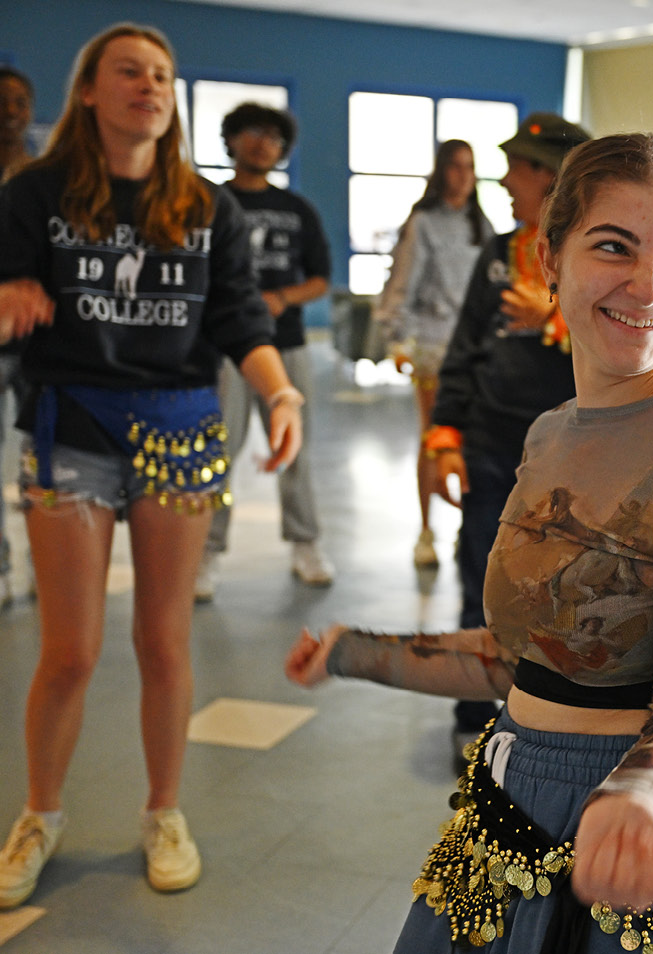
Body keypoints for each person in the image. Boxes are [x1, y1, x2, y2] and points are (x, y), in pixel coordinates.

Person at [286, 132, 653, 953]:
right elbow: (529, 657)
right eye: (614, 247)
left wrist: (640, 797)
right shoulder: (552, 431)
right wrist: (356, 653)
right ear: (546, 258)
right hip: (510, 803)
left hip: (628, 842)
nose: (649, 285)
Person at [0, 23, 302, 908]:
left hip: (179, 428)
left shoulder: (210, 208)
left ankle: (164, 811)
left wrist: (281, 396)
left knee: (165, 642)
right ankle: (40, 814)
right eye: (128, 71)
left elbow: (242, 322)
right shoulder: (36, 193)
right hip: (73, 430)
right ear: (88, 90)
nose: (149, 84)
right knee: (71, 650)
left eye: (162, 74)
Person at [421, 113, 590, 766]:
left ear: (552, 180)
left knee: (567, 593)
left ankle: (553, 717)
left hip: (577, 458)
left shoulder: (599, 254)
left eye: (518, 169)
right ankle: (474, 711)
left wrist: (558, 316)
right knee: (481, 579)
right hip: (494, 448)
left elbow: (640, 344)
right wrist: (444, 436)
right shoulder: (498, 253)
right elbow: (464, 350)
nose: (504, 180)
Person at [197, 101, 333, 600]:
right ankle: (207, 552)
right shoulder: (209, 202)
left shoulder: (298, 210)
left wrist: (281, 298)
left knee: (294, 450)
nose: (263, 143)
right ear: (231, 140)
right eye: (253, 132)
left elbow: (320, 279)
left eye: (274, 137)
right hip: (227, 350)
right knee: (219, 450)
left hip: (288, 346)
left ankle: (306, 543)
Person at [375, 139, 494, 567]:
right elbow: (402, 282)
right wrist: (397, 338)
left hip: (479, 349)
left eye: (470, 167)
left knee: (478, 441)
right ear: (441, 171)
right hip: (432, 346)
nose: (463, 176)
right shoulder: (422, 223)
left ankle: (471, 526)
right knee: (435, 437)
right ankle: (426, 532)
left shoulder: (483, 227)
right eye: (455, 167)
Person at [0, 66, 36, 608]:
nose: (10, 111)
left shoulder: (45, 176)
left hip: (42, 345)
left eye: (19, 102)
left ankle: (48, 561)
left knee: (48, 459)